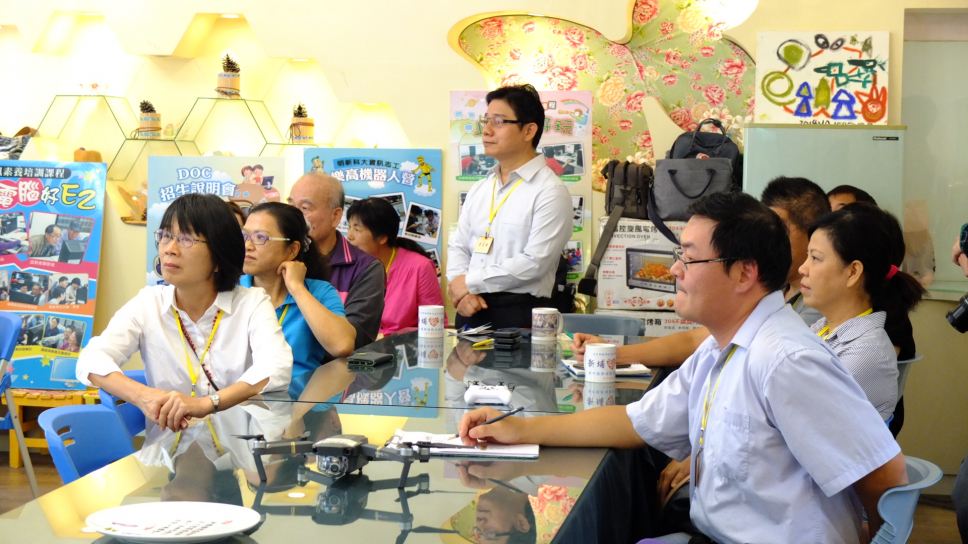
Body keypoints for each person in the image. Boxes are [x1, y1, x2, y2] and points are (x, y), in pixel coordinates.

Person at [459, 192, 907, 543]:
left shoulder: (786, 359)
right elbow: (634, 422)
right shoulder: (721, 348)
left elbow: (883, 475)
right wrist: (520, 429)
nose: (674, 269)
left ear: (744, 273)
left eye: (690, 258)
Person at [76, 193, 294, 443]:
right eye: (166, 236)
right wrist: (143, 396)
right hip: (168, 453)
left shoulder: (251, 303)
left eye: (186, 239)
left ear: (219, 256)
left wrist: (207, 403)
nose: (169, 249)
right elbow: (91, 359)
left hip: (238, 452)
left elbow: (276, 367)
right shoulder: (149, 303)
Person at [572, 176, 830, 367]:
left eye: (691, 258)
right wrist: (612, 353)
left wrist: (612, 354)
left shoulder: (791, 352)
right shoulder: (720, 342)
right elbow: (693, 342)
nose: (675, 270)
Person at [447, 84, 573, 329]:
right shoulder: (481, 188)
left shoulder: (550, 191)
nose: (486, 130)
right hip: (471, 309)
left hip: (520, 314)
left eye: (498, 121)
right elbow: (459, 245)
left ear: (529, 130)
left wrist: (470, 282)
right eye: (486, 121)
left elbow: (535, 262)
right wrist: (462, 292)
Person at [239, 201, 355, 396]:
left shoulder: (318, 291)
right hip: (239, 400)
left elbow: (342, 346)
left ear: (292, 249)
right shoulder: (230, 291)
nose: (247, 246)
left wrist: (297, 288)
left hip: (300, 402)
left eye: (260, 237)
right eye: (244, 236)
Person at [288, 172, 385, 349]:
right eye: (290, 205)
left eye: (305, 208)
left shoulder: (365, 268)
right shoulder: (282, 259)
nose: (293, 216)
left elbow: (355, 340)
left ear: (335, 216)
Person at [346, 198, 445, 336]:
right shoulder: (349, 267)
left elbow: (434, 325)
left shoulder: (420, 267)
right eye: (349, 227)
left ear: (382, 237)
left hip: (401, 347)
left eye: (357, 229)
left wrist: (389, 337)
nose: (349, 236)